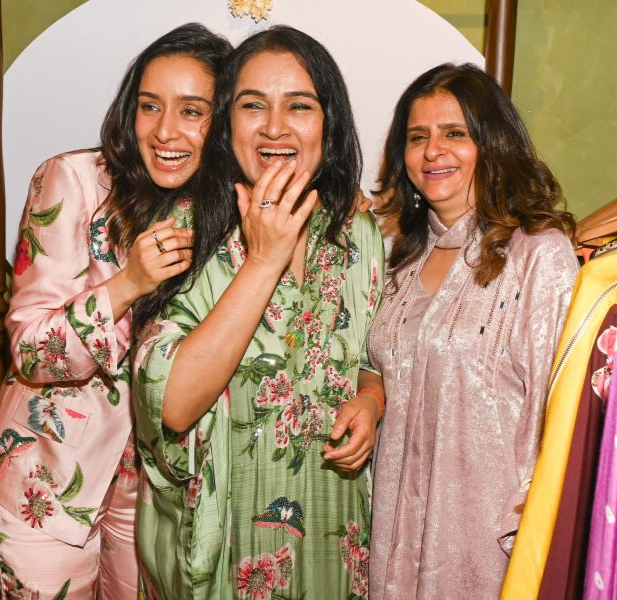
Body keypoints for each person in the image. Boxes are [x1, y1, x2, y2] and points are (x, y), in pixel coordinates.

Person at [131, 25, 386, 600]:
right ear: (226, 124)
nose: (274, 127)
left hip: (332, 531)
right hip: (228, 547)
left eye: (299, 106)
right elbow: (172, 406)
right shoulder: (183, 233)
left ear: (329, 125)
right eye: (252, 106)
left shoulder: (356, 233)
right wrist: (264, 259)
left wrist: (371, 400)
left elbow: (371, 357)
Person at [0, 24, 232, 599]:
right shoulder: (73, 181)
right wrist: (128, 283)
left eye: (192, 111)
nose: (164, 131)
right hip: (47, 481)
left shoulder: (226, 207)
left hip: (158, 495)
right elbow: (32, 353)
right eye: (150, 105)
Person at [366, 63, 579, 599]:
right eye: (418, 137)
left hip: (485, 545)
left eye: (454, 133)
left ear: (492, 144)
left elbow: (555, 416)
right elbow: (385, 373)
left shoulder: (539, 255)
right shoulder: (401, 261)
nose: (433, 151)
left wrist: (531, 539)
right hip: (394, 534)